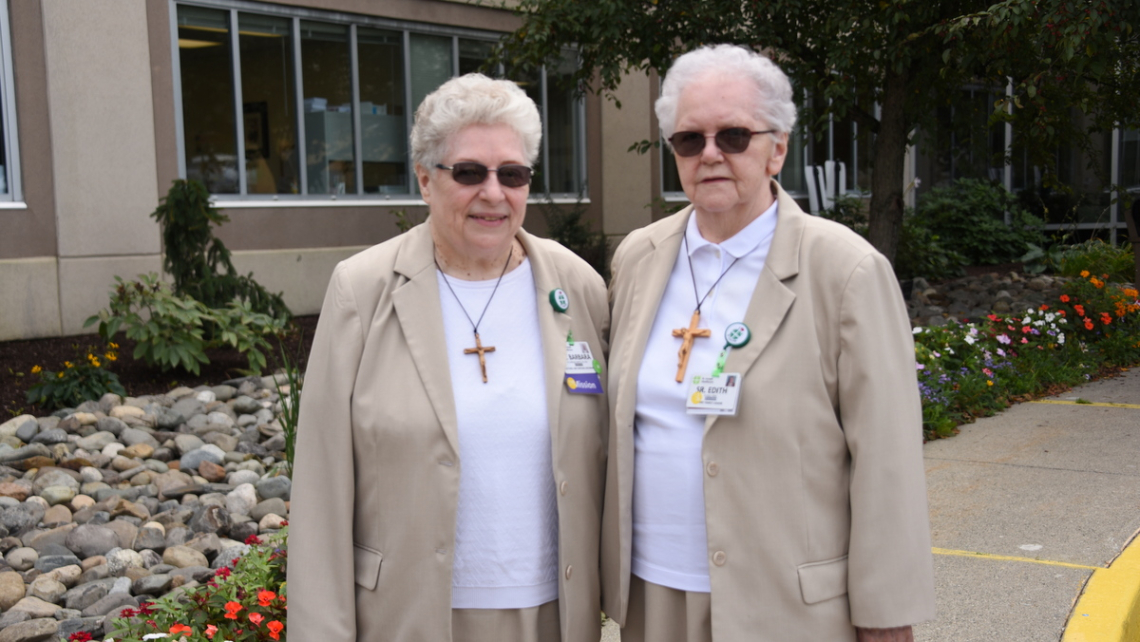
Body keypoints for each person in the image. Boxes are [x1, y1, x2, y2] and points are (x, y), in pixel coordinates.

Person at [600, 45, 936, 642]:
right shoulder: (639, 257)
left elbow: (887, 461)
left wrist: (885, 615)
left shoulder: (846, 270)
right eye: (688, 139)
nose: (709, 155)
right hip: (654, 597)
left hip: (786, 607)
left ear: (776, 148)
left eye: (733, 136)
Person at [288, 74, 609, 642]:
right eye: (468, 173)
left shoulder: (575, 285)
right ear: (425, 180)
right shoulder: (362, 289)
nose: (493, 193)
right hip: (412, 615)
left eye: (512, 174)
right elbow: (322, 487)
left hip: (553, 615)